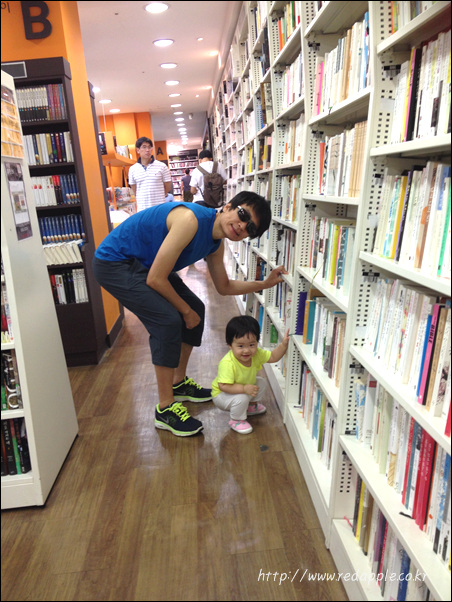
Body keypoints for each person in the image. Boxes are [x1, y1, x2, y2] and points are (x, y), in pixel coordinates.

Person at [92, 191, 286, 437]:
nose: (242, 226)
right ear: (228, 206)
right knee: (167, 320)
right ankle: (165, 409)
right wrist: (185, 312)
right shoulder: (190, 220)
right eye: (242, 215)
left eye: (250, 228)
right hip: (115, 263)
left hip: (145, 265)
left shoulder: (216, 243)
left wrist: (264, 284)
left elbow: (224, 287)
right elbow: (156, 279)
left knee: (197, 310)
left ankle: (179, 383)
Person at [211, 316, 289, 434]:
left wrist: (284, 344)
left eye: (251, 345)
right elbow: (223, 386)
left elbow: (273, 357)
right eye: (240, 346)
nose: (247, 350)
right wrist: (244, 389)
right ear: (230, 345)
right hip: (222, 396)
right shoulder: (227, 363)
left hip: (240, 389)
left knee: (261, 382)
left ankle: (250, 407)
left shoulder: (256, 354)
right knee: (241, 398)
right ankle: (236, 420)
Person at [128, 137, 172, 211]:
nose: (147, 150)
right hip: (142, 209)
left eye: (149, 147)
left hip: (159, 208)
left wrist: (158, 195)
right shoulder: (132, 169)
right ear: (138, 150)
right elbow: (135, 189)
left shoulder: (162, 166)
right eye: (144, 147)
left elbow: (167, 187)